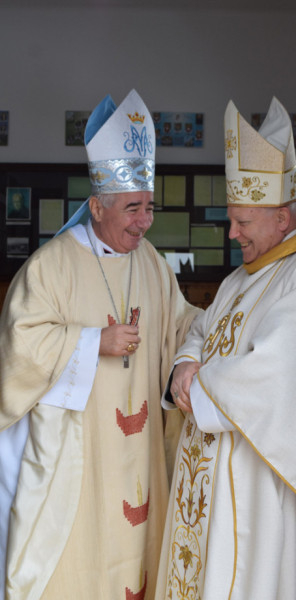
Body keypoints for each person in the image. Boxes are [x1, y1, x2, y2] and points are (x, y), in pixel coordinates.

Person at [155, 97, 296, 599]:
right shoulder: (242, 276)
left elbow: (276, 374)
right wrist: (186, 362)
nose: (232, 232)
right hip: (221, 494)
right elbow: (203, 328)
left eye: (243, 222)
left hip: (272, 494)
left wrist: (199, 387)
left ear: (283, 218)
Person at [0, 89, 199, 600]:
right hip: (81, 461)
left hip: (142, 455)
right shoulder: (51, 267)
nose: (144, 221)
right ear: (96, 206)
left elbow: (181, 325)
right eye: (132, 208)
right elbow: (21, 343)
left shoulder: (152, 263)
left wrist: (206, 343)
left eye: (149, 207)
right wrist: (92, 342)